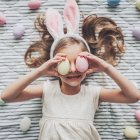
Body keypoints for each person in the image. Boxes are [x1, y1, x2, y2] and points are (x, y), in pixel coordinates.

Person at [0, 0, 139, 139]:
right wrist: (39, 72)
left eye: (79, 62)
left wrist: (106, 68)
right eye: (65, 63)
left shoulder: (92, 93)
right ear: (54, 65)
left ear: (88, 64)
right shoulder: (48, 89)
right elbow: (7, 96)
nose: (72, 69)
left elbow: (133, 96)